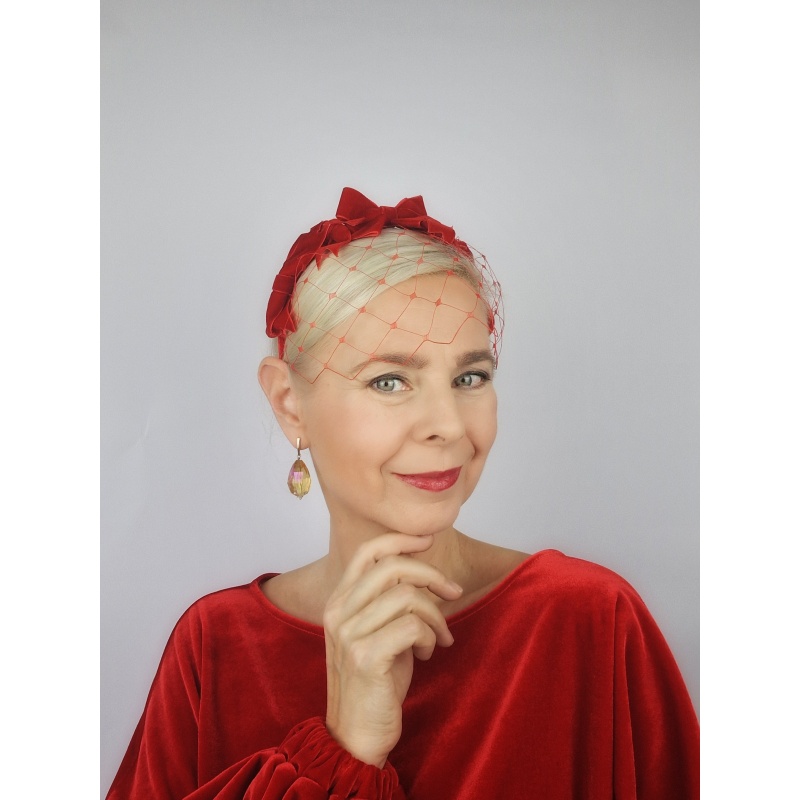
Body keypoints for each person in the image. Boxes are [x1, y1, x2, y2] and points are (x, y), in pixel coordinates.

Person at [107, 188, 699, 799]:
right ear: (289, 403)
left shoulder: (590, 621)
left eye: (470, 377)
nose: (447, 424)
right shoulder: (216, 648)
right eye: (389, 381)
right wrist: (344, 748)